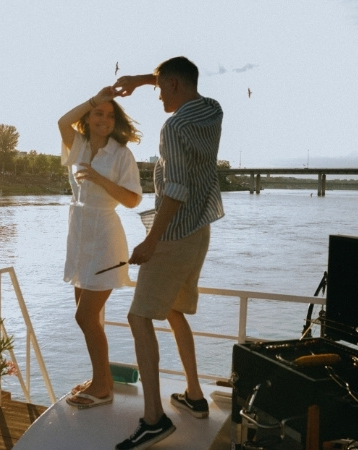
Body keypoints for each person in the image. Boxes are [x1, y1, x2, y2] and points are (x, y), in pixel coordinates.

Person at [112, 56, 225, 449]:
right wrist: (142, 79)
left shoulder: (174, 127)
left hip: (174, 234)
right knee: (174, 310)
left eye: (160, 88)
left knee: (139, 317)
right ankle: (194, 396)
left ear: (175, 85)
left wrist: (150, 241)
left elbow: (174, 190)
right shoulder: (212, 111)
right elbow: (179, 77)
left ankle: (154, 419)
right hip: (200, 229)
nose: (157, 94)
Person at [58, 86, 143, 409]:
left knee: (85, 316)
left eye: (110, 115)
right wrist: (95, 97)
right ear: (89, 116)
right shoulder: (77, 144)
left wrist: (97, 177)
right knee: (88, 317)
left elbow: (134, 199)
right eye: (98, 112)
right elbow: (62, 121)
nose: (104, 119)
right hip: (79, 235)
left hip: (106, 237)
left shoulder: (121, 153)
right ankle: (101, 379)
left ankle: (103, 385)